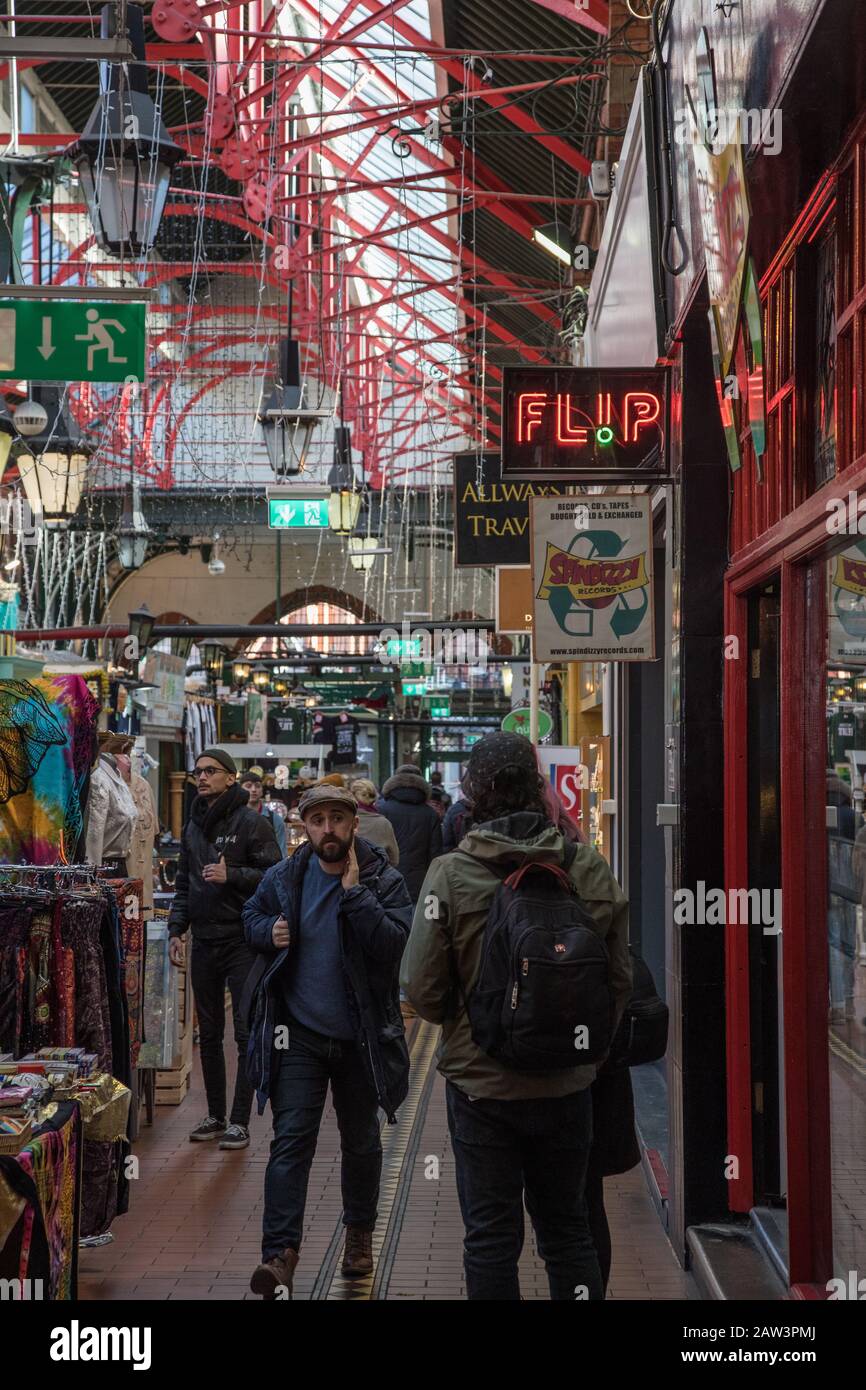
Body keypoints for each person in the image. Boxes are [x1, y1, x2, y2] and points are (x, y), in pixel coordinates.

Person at [401, 732, 631, 1301]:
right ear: (538, 788)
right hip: (568, 1087)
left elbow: (422, 990)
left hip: (481, 1089)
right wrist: (586, 1049)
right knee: (568, 1231)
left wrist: (470, 1016)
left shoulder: (450, 875)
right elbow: (619, 981)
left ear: (473, 793)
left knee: (490, 1239)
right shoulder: (588, 867)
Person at [242, 785, 412, 1299]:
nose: (328, 830)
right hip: (299, 1035)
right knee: (292, 1141)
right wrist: (264, 931)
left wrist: (357, 896)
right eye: (318, 821)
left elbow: (393, 945)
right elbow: (249, 915)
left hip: (362, 1038)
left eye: (338, 819)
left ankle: (359, 1235)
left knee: (361, 1141)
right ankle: (279, 1254)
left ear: (354, 823)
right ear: (304, 826)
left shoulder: (383, 879)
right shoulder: (284, 877)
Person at [168, 748, 282, 1150]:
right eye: (196, 771)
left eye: (210, 771)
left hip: (241, 939)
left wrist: (230, 874)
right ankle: (216, 1115)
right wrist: (176, 927)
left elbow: (274, 876)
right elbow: (184, 881)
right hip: (204, 938)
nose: (201, 777)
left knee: (245, 1032)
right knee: (209, 1032)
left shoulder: (253, 824)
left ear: (230, 778)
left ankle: (239, 1121)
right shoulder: (194, 826)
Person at [376, 763, 442, 902]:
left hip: (386, 881)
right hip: (419, 883)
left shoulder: (380, 809)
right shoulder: (430, 814)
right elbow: (435, 855)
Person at [349, 778, 400, 866]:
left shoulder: (345, 821)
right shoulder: (384, 823)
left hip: (346, 875)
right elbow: (394, 860)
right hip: (377, 875)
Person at [240, 770, 287, 857]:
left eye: (257, 786)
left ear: (262, 790)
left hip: (269, 868)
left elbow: (282, 854)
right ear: (240, 789)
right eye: (248, 786)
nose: (253, 790)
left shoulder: (275, 819)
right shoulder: (234, 817)